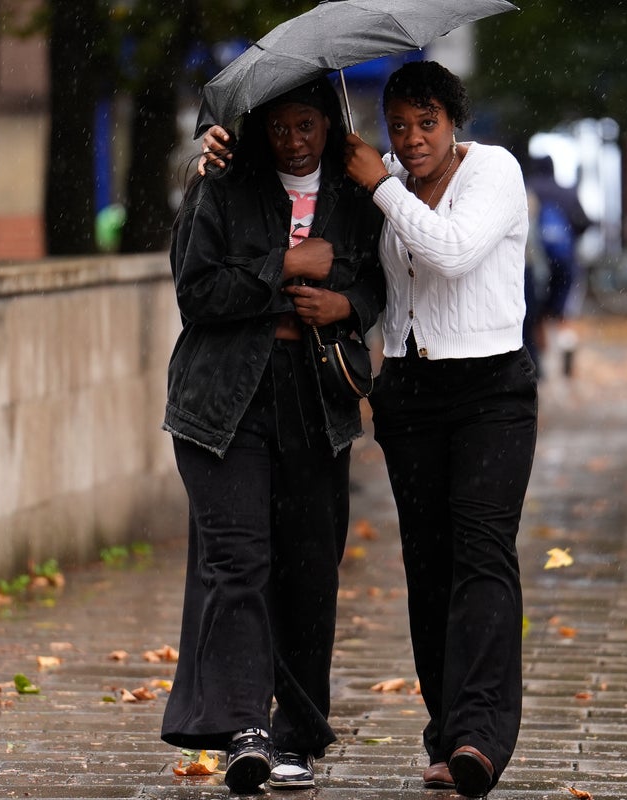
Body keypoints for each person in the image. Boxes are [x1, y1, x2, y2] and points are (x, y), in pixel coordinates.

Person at [163, 77, 385, 795]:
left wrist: (343, 303)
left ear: (328, 122)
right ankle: (244, 731)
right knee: (239, 563)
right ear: (260, 127)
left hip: (315, 399)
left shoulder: (354, 195)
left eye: (307, 126)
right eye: (281, 127)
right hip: (223, 398)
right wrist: (283, 267)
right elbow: (196, 291)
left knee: (310, 569)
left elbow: (378, 284)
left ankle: (297, 733)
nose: (294, 141)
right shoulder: (224, 184)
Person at [342, 60, 539, 798]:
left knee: (482, 554)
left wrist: (380, 184)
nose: (412, 138)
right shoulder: (385, 179)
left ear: (454, 122)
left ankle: (480, 735)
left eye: (427, 123)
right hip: (411, 392)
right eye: (399, 126)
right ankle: (445, 731)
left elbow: (452, 252)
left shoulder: (493, 171)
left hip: (491, 391)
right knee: (428, 566)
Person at [523, 154, 590, 376]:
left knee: (536, 314)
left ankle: (540, 363)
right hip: (565, 260)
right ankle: (566, 343)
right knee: (563, 311)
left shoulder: (528, 189)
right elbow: (584, 222)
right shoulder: (566, 192)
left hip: (537, 263)